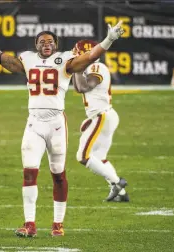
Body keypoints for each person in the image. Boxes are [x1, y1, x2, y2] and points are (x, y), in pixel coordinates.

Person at [0, 18, 124, 237]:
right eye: (42, 41)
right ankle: (30, 224)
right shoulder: (27, 60)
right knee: (28, 174)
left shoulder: (65, 60)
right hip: (34, 123)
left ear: (56, 45)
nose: (47, 44)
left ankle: (57, 224)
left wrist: (109, 39)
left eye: (51, 41)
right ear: (36, 45)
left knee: (58, 175)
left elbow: (90, 56)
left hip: (56, 125)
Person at [72, 39, 129, 202]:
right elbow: (78, 88)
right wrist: (78, 69)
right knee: (99, 156)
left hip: (102, 116)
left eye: (78, 53)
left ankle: (117, 183)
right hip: (101, 115)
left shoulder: (97, 67)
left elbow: (85, 87)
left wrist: (78, 68)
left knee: (83, 156)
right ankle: (121, 194)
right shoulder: (88, 67)